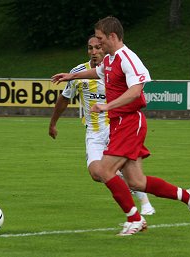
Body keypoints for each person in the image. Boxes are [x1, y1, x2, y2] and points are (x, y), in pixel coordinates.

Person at [52, 16, 190, 236]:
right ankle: (187, 196)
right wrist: (71, 76)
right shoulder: (110, 59)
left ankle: (135, 218)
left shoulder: (127, 58)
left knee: (104, 170)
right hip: (119, 123)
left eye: (101, 39)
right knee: (137, 181)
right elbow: (98, 72)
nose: (99, 44)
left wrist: (107, 106)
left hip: (130, 122)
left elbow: (136, 91)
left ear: (113, 36)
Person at [49, 35, 155, 215]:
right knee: (97, 173)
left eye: (98, 47)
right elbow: (64, 99)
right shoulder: (79, 72)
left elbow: (134, 90)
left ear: (105, 47)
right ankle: (129, 192)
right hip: (94, 132)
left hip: (116, 127)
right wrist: (53, 123)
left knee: (121, 170)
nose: (94, 52)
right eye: (90, 48)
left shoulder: (115, 67)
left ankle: (144, 206)